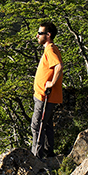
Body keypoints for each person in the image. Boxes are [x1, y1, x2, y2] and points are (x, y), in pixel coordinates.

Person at [30, 21, 63, 158]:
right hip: (43, 96)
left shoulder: (50, 49)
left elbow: (59, 66)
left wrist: (51, 83)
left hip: (45, 97)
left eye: (40, 33)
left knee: (37, 126)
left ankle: (36, 157)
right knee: (47, 125)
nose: (37, 36)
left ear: (48, 35)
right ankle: (49, 154)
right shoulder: (50, 49)